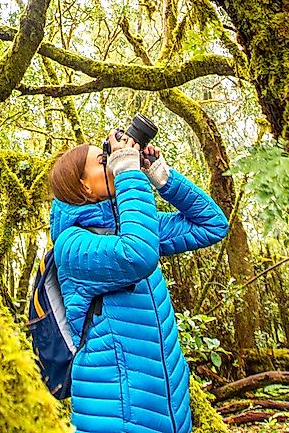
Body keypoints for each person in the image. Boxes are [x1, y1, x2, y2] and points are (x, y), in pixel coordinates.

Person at [46, 128, 229, 433]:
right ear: (85, 188)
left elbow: (212, 224)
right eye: (104, 159)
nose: (113, 161)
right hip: (117, 413)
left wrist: (161, 177)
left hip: (167, 407)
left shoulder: (130, 227)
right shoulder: (72, 245)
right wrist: (128, 169)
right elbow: (138, 253)